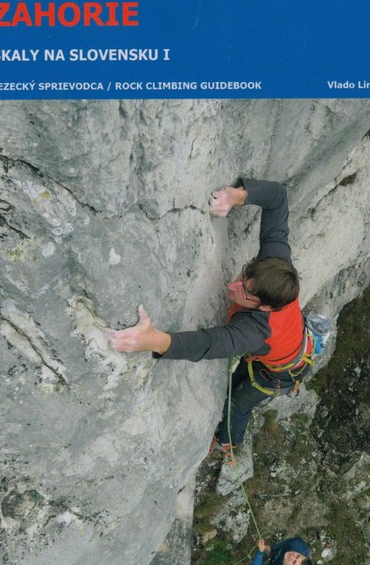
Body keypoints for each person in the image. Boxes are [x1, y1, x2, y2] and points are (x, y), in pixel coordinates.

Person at [105, 178, 310, 455]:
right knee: (237, 380)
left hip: (282, 373)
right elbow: (278, 198)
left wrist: (155, 341)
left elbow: (210, 344)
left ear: (264, 308)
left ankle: (228, 443)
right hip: (288, 345)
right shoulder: (275, 265)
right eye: (244, 276)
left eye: (245, 292)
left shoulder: (255, 332)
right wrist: (237, 196)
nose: (233, 286)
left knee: (237, 404)